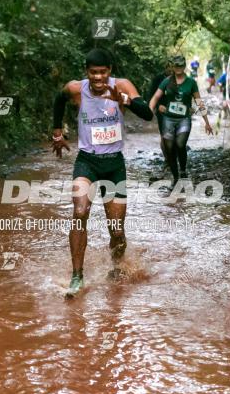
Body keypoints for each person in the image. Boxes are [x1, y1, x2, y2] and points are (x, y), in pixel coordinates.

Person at [51, 48, 154, 297]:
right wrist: (56, 131)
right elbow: (58, 99)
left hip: (114, 166)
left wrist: (124, 100)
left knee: (116, 229)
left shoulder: (122, 86)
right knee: (80, 211)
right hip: (87, 162)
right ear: (87, 72)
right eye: (93, 73)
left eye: (103, 73)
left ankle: (118, 269)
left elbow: (148, 114)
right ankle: (77, 276)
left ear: (110, 71)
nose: (98, 78)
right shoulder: (77, 89)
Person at [148, 55, 213, 186]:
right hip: (168, 119)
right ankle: (176, 177)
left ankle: (183, 170)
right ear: (173, 67)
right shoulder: (166, 81)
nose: (178, 68)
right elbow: (155, 97)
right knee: (169, 148)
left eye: (181, 66)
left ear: (184, 66)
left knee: (180, 144)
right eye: (176, 66)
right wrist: (149, 111)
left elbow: (199, 102)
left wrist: (207, 122)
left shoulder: (191, 82)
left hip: (184, 119)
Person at [145, 61, 173, 165]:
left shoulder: (180, 79)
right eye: (169, 67)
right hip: (162, 111)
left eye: (173, 67)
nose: (171, 70)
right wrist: (155, 108)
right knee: (164, 135)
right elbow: (152, 95)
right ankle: (168, 159)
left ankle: (173, 157)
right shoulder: (158, 79)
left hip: (177, 111)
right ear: (165, 68)